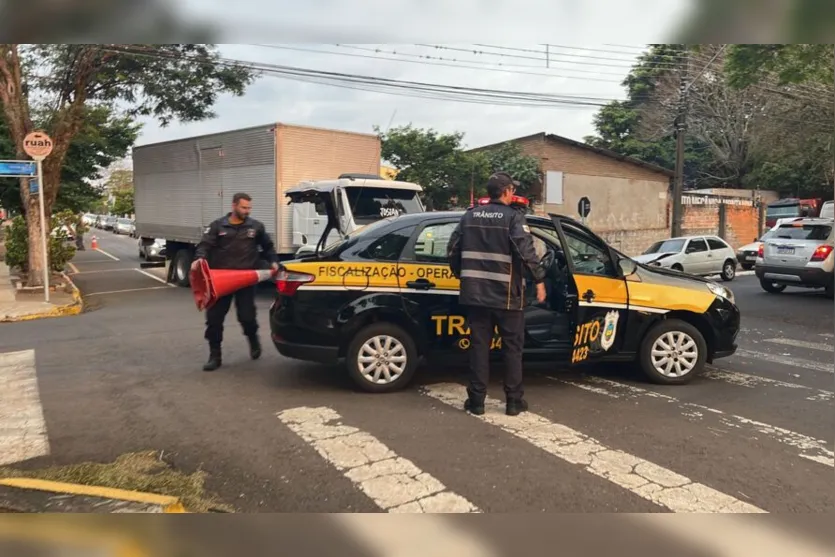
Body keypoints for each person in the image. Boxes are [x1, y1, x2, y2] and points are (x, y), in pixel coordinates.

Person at [447, 172, 546, 416]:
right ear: (505, 192)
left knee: (479, 348)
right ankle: (513, 402)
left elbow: (452, 251)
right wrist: (540, 279)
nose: (514, 193)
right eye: (512, 190)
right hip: (507, 297)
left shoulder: (469, 216)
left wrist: (464, 277)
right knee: (512, 349)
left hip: (476, 296)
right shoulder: (513, 218)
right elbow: (525, 253)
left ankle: (477, 402)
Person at [192, 192, 279, 372]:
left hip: (245, 280)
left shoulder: (256, 227)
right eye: (243, 207)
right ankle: (214, 355)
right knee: (214, 319)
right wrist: (199, 259)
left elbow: (268, 247)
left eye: (249, 208)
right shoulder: (217, 226)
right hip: (220, 282)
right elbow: (204, 246)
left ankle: (253, 339)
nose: (247, 211)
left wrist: (273, 261)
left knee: (247, 317)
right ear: (234, 206)